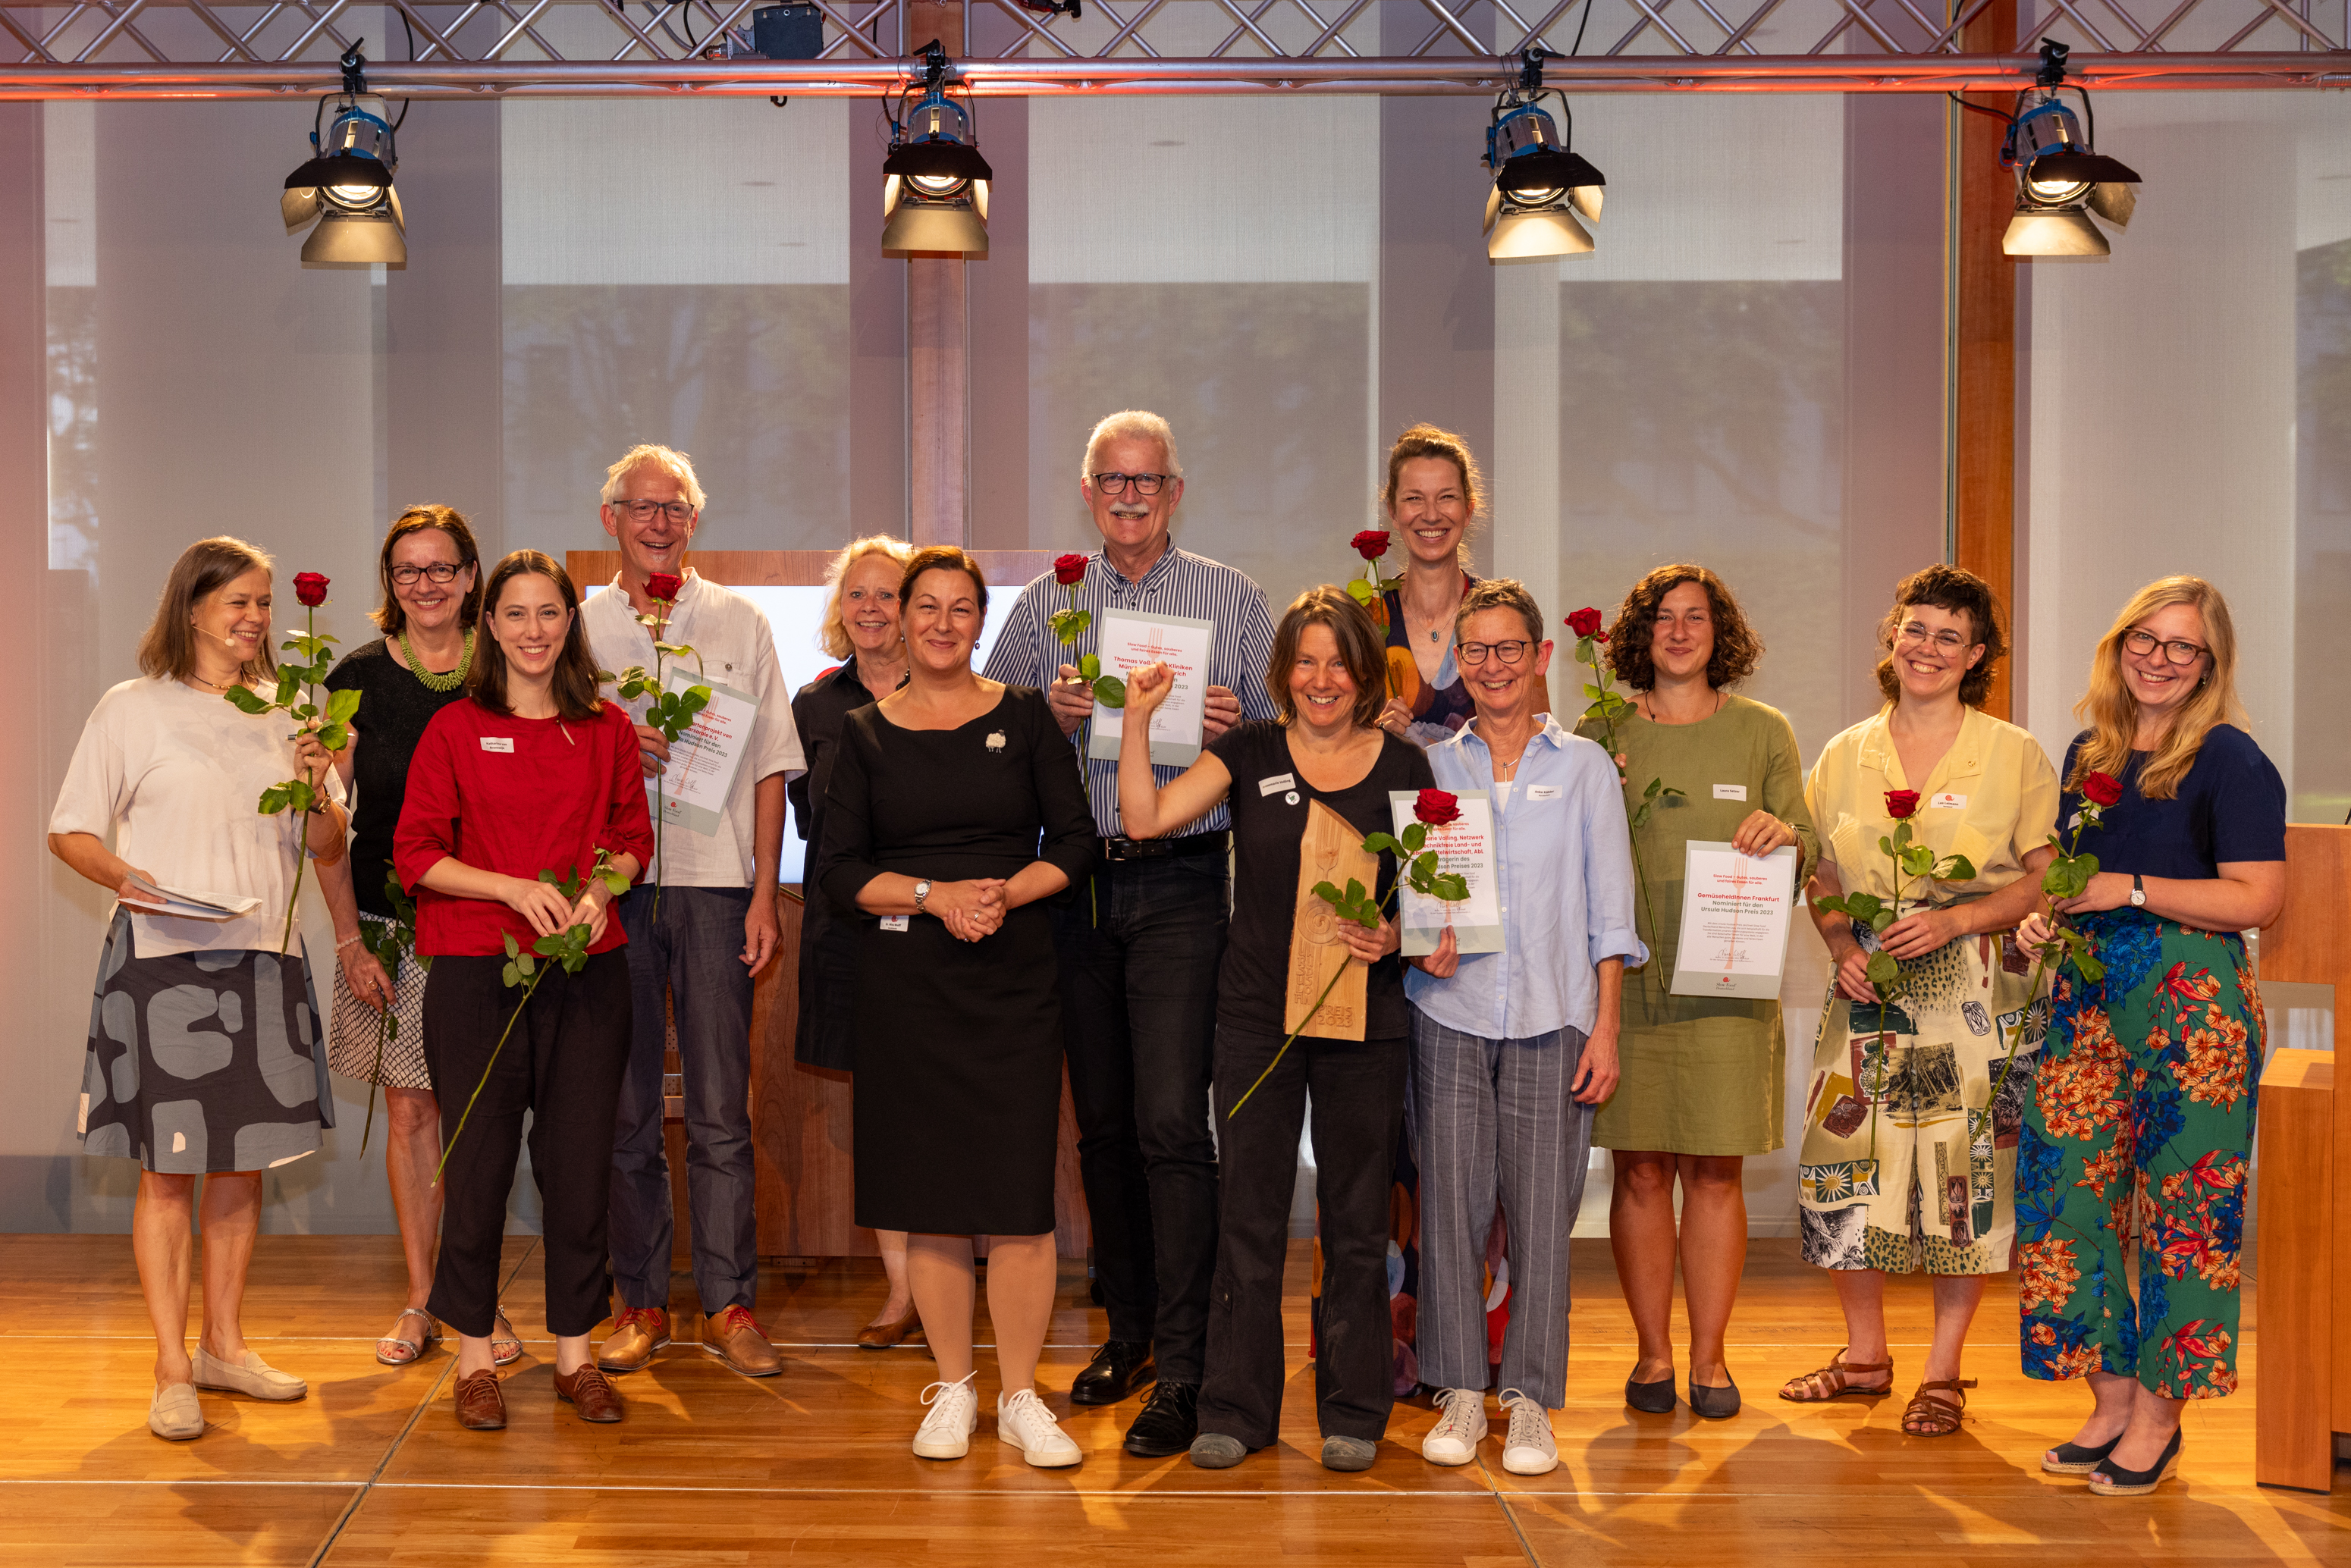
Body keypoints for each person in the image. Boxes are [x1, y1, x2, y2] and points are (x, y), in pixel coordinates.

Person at [983, 409, 1276, 1457]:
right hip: (1076, 885)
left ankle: (1189, 1363)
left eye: (1147, 481)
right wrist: (1045, 713)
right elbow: (992, 725)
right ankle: (1133, 1333)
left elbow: (1292, 735)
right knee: (1102, 1128)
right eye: (1112, 479)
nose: (1129, 497)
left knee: (1168, 1124)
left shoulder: (1233, 598)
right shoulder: (1046, 604)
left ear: (1175, 492)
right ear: (1088, 490)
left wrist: (1239, 727)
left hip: (1185, 882)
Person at [1118, 585, 1437, 1473]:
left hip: (1363, 1018)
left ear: (1364, 672)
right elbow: (1144, 818)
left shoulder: (1405, 766)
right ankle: (1236, 1406)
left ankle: (1353, 1408)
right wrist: (1137, 719)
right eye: (1305, 661)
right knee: (1248, 1213)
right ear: (1282, 671)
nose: (1321, 679)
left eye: (1338, 662)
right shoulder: (1249, 749)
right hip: (1257, 1018)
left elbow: (1436, 903)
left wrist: (1396, 936)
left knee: (1357, 1222)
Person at [50, 537, 347, 1441]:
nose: (256, 618)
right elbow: (70, 830)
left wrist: (317, 786)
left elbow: (329, 846)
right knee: (168, 1171)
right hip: (162, 960)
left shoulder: (292, 709)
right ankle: (171, 1367)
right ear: (191, 609)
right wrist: (126, 878)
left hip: (263, 955)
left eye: (264, 602)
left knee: (240, 1164)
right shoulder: (131, 707)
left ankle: (224, 1346)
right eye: (238, 602)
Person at [816, 546, 1095, 1466]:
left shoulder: (1025, 717)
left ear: (981, 620)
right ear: (899, 619)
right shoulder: (862, 731)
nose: (942, 623)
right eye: (925, 606)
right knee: (928, 1193)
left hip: (1014, 977)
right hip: (907, 987)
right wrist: (934, 897)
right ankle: (953, 1388)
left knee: (1017, 1197)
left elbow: (1077, 843)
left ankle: (1020, 1396)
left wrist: (1003, 894)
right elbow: (840, 871)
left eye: (960, 607)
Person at [2014, 576, 2282, 1495]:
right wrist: (2044, 918)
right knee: (2061, 1202)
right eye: (2145, 637)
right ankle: (2112, 1394)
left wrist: (2127, 889)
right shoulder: (2088, 751)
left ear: (2208, 662)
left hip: (2191, 1005)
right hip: (2086, 997)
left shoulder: (2229, 758)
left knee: (2185, 1216)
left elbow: (2258, 896)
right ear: (2118, 642)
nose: (2158, 658)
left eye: (2181, 645)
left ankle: (2160, 1419)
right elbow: (2072, 878)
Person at [1782, 565, 2057, 1438]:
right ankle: (1864, 1356)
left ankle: (1942, 1371)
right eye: (1915, 629)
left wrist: (1959, 918)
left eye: (1949, 636)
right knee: (1842, 1165)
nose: (1927, 648)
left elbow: (2046, 877)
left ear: (1975, 655)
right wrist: (1840, 947)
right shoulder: (1843, 752)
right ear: (1891, 637)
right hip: (1867, 988)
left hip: (1974, 989)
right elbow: (1822, 871)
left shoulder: (2013, 752)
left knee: (1961, 1180)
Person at [394, 550, 652, 1432]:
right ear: (490, 626)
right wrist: (509, 888)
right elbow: (416, 853)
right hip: (476, 969)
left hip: (587, 968)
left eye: (549, 613)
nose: (533, 630)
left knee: (578, 1164)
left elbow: (632, 840)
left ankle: (576, 1355)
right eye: (515, 613)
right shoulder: (455, 728)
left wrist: (599, 892)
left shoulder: (608, 728)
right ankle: (474, 1358)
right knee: (476, 1165)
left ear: (569, 622)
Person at [581, 444, 806, 1381]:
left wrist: (763, 894)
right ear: (611, 519)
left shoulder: (740, 620)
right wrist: (608, 741)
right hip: (615, 888)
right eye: (642, 507)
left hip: (718, 889)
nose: (659, 523)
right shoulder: (578, 626)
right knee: (627, 1110)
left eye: (674, 508)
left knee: (720, 1109)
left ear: (694, 520)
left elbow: (770, 763)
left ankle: (728, 1303)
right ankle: (640, 1303)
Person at [1406, 579, 1640, 1475]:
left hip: (1555, 1018)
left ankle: (1531, 1400)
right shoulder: (1433, 767)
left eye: (1509, 648)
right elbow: (1416, 892)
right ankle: (1461, 1390)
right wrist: (1420, 941)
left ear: (1540, 657)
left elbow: (1610, 913)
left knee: (1544, 1216)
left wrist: (1605, 1029)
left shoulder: (1583, 767)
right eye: (1475, 649)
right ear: (1456, 660)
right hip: (1450, 1014)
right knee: (1450, 1210)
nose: (1493, 665)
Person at [1577, 564, 1816, 1419]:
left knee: (1715, 1171)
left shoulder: (1763, 730)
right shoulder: (1600, 729)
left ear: (1722, 634)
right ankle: (1652, 1355)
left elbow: (1806, 841)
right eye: (1663, 618)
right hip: (1629, 985)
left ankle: (1711, 1359)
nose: (1679, 633)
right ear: (1640, 635)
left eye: (1696, 618)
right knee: (1639, 1171)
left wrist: (1785, 831)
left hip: (1726, 986)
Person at [314, 505, 519, 1370]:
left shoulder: (509, 666)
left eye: (442, 568)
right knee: (411, 1110)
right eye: (408, 570)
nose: (426, 584)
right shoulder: (355, 678)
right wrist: (348, 942)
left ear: (472, 577)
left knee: (480, 1113)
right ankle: (423, 1296)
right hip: (388, 926)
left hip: (491, 924)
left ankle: (476, 1301)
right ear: (390, 583)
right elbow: (326, 829)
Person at [788, 533, 924, 1350]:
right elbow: (810, 823)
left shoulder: (950, 692)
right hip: (848, 926)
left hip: (934, 922)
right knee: (879, 1109)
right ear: (841, 608)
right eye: (857, 594)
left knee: (934, 1103)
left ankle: (943, 1279)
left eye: (888, 593)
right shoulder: (813, 704)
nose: (872, 608)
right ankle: (902, 1290)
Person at [1373, 423, 1484, 748]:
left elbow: (1538, 741)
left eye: (1446, 497)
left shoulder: (1505, 615)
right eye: (1414, 499)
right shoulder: (1364, 619)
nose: (1432, 515)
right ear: (1393, 512)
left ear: (1469, 509)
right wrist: (1371, 736)